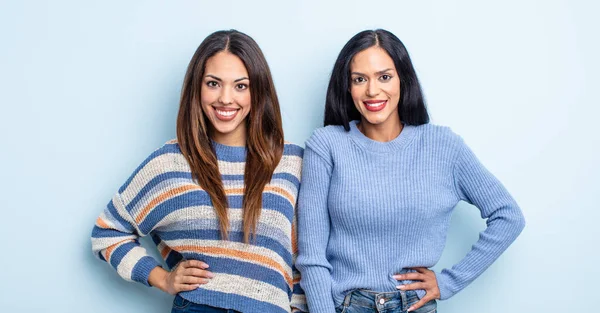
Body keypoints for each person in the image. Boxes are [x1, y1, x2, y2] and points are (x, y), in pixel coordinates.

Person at [296, 29, 525, 313]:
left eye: (384, 77)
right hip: (346, 305)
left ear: (403, 80)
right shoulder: (327, 145)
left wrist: (448, 282)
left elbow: (508, 216)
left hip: (413, 306)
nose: (372, 91)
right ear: (347, 87)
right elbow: (312, 257)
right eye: (359, 79)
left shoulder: (444, 146)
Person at [91, 29, 307, 313]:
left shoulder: (289, 161)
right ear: (198, 87)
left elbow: (304, 258)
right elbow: (107, 232)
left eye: (241, 86)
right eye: (213, 83)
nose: (226, 98)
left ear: (258, 90)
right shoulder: (171, 162)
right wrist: (163, 279)